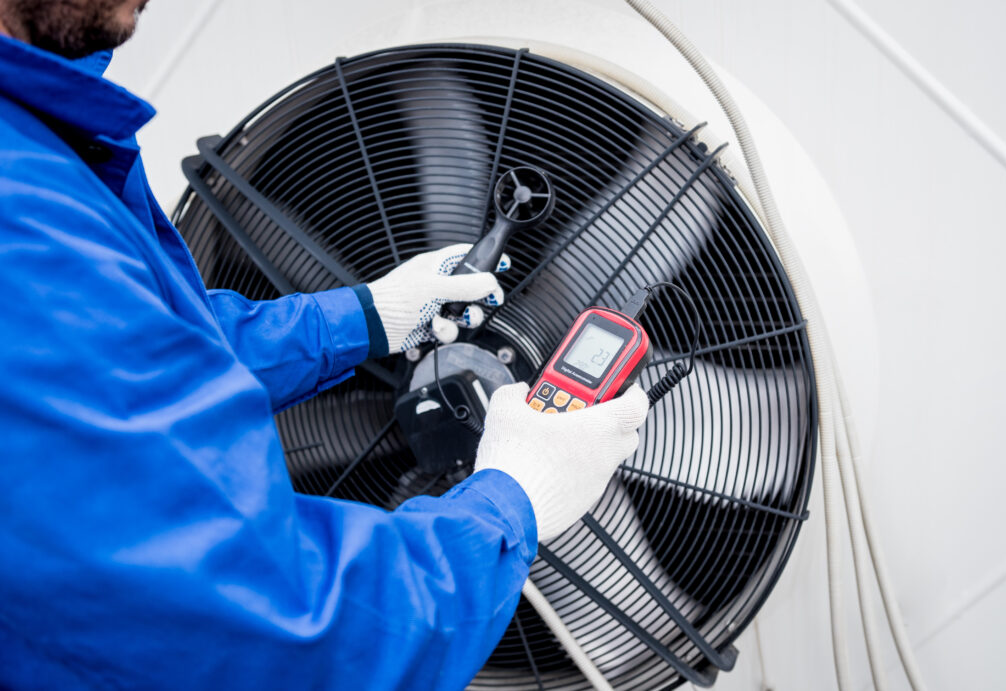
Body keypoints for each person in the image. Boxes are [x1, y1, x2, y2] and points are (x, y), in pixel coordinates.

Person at [0, 1, 649, 689]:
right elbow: (287, 631)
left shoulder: (32, 147)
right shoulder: (23, 211)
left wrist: (369, 315)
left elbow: (136, 345)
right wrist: (516, 497)